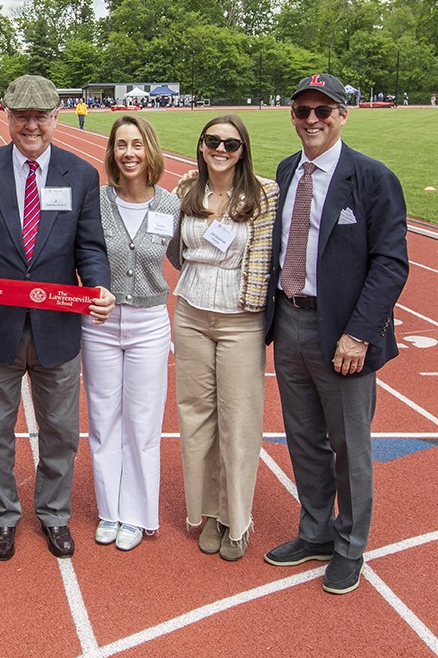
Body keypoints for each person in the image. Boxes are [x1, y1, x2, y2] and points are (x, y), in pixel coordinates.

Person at [0, 74, 115, 562]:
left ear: (56, 116)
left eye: (40, 115)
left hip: (58, 327)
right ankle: (3, 516)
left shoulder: (81, 174)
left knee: (59, 429)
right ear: (7, 116)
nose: (31, 125)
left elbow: (90, 248)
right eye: (22, 115)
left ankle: (54, 514)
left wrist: (99, 286)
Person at [263, 73, 408, 594]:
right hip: (289, 318)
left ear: (344, 115)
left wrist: (360, 334)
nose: (312, 120)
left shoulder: (371, 177)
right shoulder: (285, 171)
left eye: (324, 111)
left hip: (343, 332)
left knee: (349, 445)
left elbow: (390, 264)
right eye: (303, 111)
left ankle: (350, 546)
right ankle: (316, 531)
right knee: (303, 439)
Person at [166, 115, 279, 562]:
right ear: (200, 145)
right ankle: (208, 513)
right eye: (213, 140)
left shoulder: (263, 194)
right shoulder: (185, 189)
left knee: (239, 421)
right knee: (195, 418)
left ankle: (237, 517)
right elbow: (173, 249)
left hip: (240, 319)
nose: (221, 149)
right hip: (191, 312)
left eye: (230, 143)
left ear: (242, 150)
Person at [81, 115, 179, 552]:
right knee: (103, 421)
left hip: (149, 323)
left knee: (142, 424)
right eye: (121, 145)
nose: (129, 153)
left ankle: (138, 515)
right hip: (99, 323)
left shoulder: (171, 206)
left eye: (137, 144)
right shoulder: (95, 201)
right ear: (112, 153)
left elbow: (186, 255)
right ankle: (110, 510)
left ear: (150, 149)